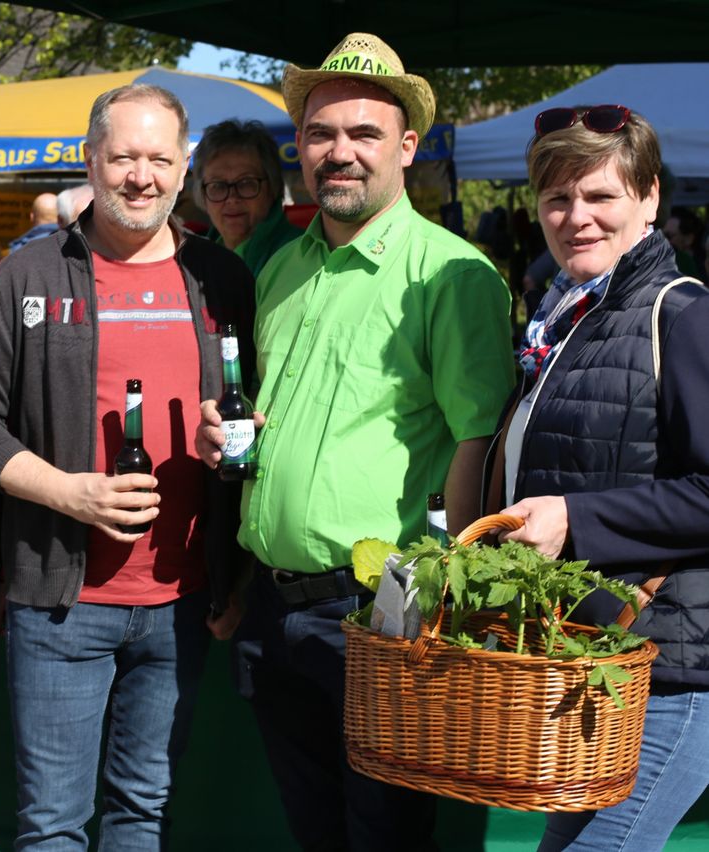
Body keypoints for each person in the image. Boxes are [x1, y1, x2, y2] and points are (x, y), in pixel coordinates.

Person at [196, 32, 515, 851]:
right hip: (273, 608)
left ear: (407, 147)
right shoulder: (282, 271)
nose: (339, 152)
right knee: (316, 834)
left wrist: (448, 606)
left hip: (382, 613)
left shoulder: (452, 273)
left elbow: (480, 443)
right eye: (320, 133)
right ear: (299, 148)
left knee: (384, 839)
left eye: (364, 133)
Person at [0, 83, 255, 850]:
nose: (141, 177)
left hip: (182, 600)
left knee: (142, 814)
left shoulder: (222, 279)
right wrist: (68, 492)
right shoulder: (28, 276)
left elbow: (259, 413)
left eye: (159, 159)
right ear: (90, 159)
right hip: (60, 602)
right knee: (52, 826)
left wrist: (237, 445)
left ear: (183, 167)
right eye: (123, 158)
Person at [496, 104, 709, 851]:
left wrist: (574, 519)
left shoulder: (682, 315)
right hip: (597, 664)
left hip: (673, 674)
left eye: (599, 195)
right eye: (557, 198)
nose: (575, 216)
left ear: (649, 198)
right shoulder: (566, 319)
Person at [192, 119, 302, 277]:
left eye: (246, 183)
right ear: (202, 194)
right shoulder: (191, 258)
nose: (232, 198)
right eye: (218, 186)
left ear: (272, 187)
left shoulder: (300, 253)